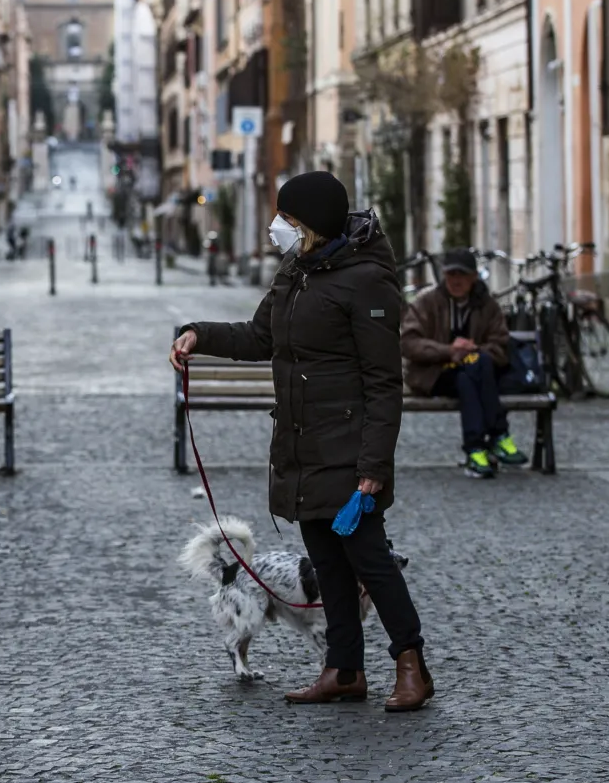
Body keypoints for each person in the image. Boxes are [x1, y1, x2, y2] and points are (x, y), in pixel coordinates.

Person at [168, 170, 433, 712]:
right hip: (300, 442)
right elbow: (260, 336)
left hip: (349, 447)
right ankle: (343, 669)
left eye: (286, 219)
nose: (277, 228)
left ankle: (412, 665)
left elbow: (385, 382)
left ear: (310, 224)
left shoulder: (367, 282)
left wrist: (373, 466)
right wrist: (199, 335)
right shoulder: (297, 272)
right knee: (328, 565)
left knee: (371, 563)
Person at [400, 248, 528, 478]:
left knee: (470, 372)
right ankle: (499, 435)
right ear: (444, 275)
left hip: (474, 375)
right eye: (451, 275)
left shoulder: (487, 305)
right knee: (473, 369)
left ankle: (476, 449)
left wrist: (472, 349)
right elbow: (409, 342)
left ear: (473, 277)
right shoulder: (427, 302)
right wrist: (449, 351)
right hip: (434, 375)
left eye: (462, 275)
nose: (456, 280)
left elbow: (500, 344)